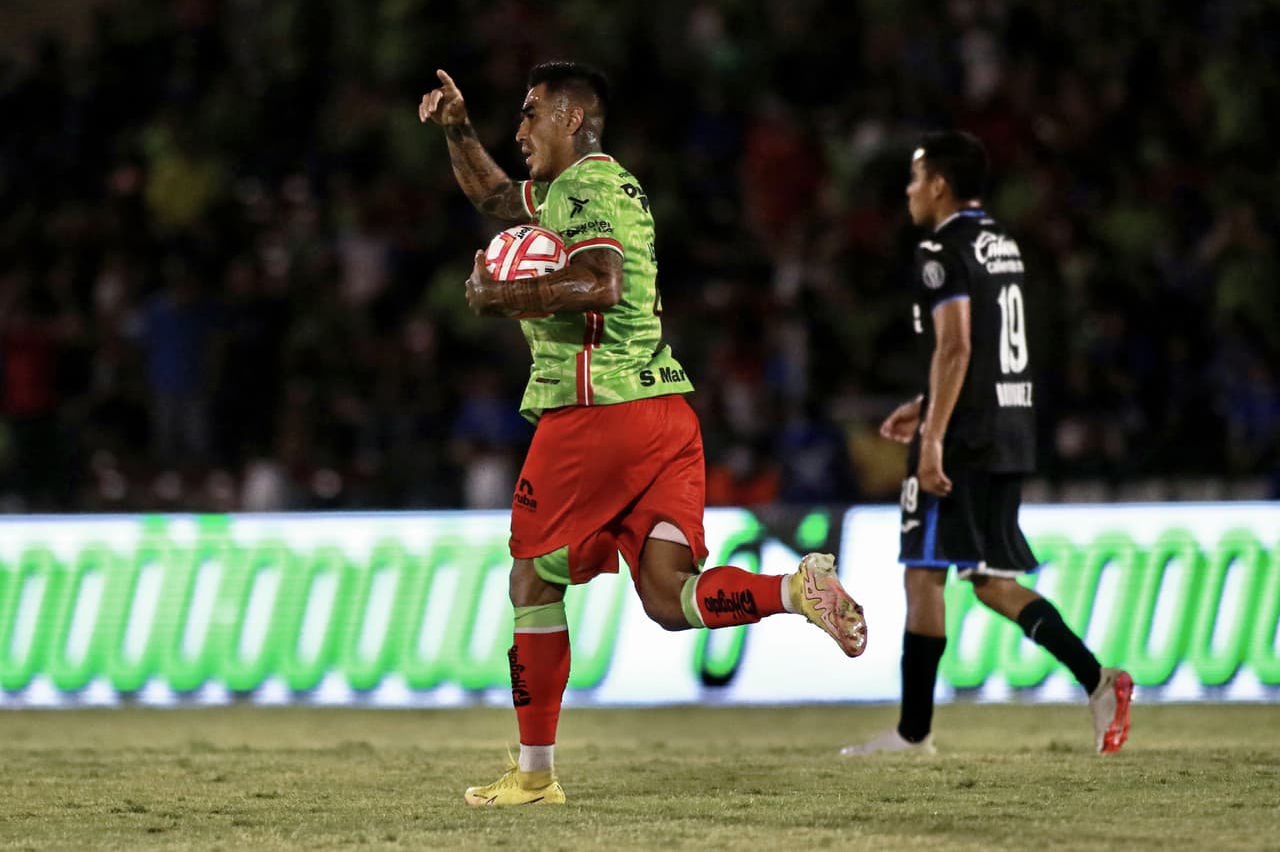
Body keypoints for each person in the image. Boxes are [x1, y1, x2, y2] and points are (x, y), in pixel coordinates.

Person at [419, 61, 868, 806]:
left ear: (570, 119)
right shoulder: (574, 191)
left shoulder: (588, 186)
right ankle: (796, 587)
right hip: (665, 414)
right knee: (667, 597)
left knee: (533, 575)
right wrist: (457, 130)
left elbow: (602, 282)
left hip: (601, 411)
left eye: (531, 114)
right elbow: (498, 199)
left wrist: (502, 297)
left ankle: (534, 775)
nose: (520, 129)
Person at [840, 131, 1132, 757]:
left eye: (916, 179)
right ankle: (1100, 681)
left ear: (940, 185)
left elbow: (957, 345)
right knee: (990, 579)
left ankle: (912, 734)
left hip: (964, 438)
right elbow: (993, 348)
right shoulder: (1003, 245)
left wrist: (933, 436)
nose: (910, 191)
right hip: (1007, 427)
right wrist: (926, 403)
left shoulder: (940, 250)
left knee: (924, 573)